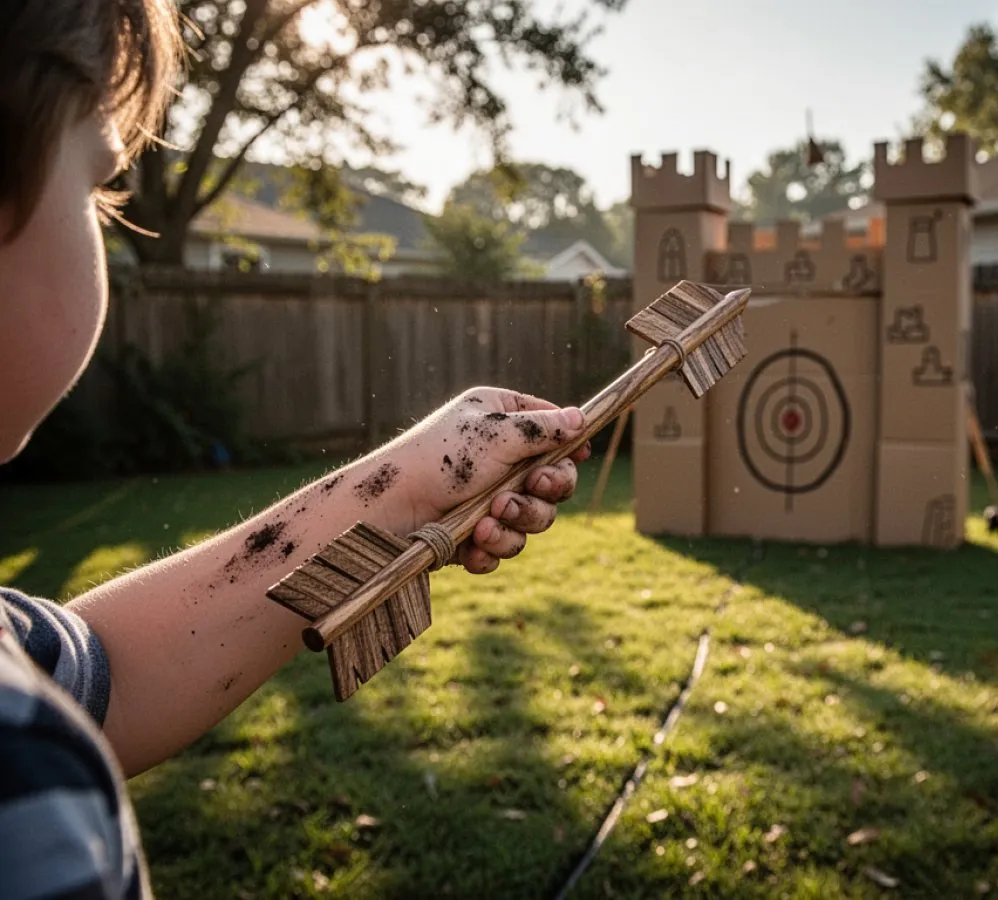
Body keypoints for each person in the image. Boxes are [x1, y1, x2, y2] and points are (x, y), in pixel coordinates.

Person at [0, 2, 589, 896]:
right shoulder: (26, 790)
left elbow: (101, 676)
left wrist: (403, 487)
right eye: (97, 186)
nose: (108, 236)